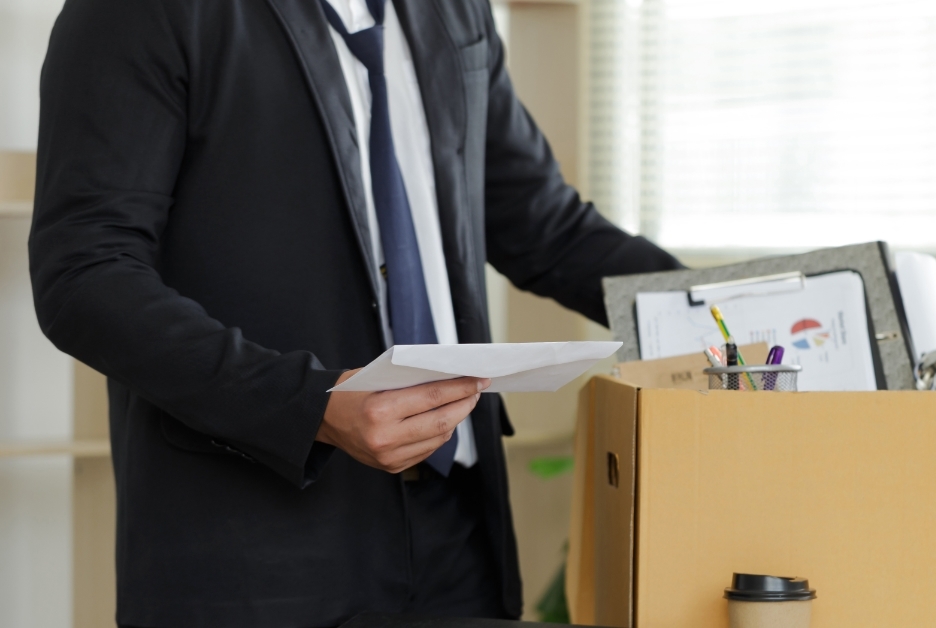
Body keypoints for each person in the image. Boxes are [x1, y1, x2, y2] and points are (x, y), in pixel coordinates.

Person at [28, 0, 681, 626]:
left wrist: (723, 313)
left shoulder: (458, 10)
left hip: (456, 535)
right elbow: (85, 274)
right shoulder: (138, 9)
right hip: (254, 551)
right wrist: (308, 403)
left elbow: (547, 230)